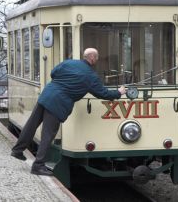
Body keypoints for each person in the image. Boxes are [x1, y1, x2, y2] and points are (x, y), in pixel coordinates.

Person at [11, 48, 126, 176]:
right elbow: (103, 93)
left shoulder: (69, 63)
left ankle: (17, 150)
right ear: (92, 58)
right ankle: (38, 165)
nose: (97, 60)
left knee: (31, 125)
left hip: (46, 95)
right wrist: (119, 92)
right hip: (58, 104)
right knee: (48, 134)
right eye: (97, 58)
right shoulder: (91, 76)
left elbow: (53, 73)